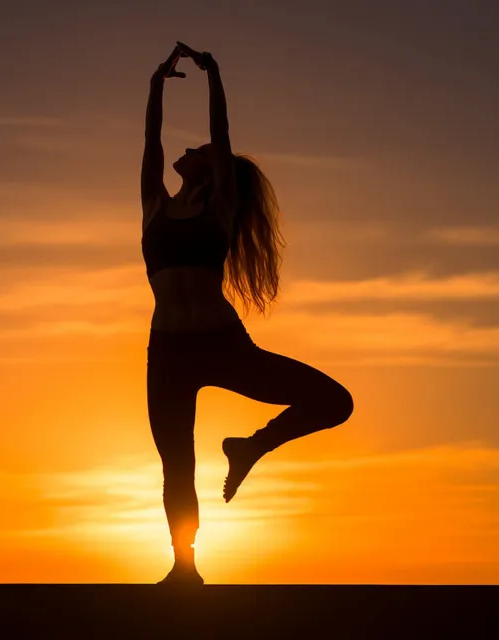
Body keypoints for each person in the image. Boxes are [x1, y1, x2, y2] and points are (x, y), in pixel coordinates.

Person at [141, 41, 354, 585]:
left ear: (214, 171)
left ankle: (253, 445)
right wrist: (156, 84)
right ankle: (183, 566)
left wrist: (213, 72)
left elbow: (224, 133)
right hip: (167, 351)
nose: (190, 148)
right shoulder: (155, 205)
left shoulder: (221, 207)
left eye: (202, 148)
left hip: (221, 343)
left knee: (334, 401)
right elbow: (150, 140)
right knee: (176, 463)